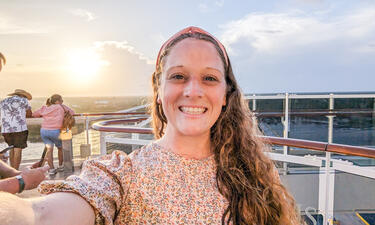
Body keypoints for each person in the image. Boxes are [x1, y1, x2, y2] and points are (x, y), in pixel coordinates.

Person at [0, 26, 302, 225]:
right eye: (179, 76)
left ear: (225, 95)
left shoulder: (253, 175)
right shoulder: (121, 174)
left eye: (209, 78)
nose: (193, 90)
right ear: (158, 92)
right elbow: (39, 215)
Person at [32, 94, 74, 175]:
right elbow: (72, 112)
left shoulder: (44, 108)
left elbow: (34, 114)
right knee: (60, 148)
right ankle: (61, 166)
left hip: (44, 131)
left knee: (49, 150)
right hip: (56, 131)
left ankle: (51, 169)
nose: (62, 102)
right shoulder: (61, 107)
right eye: (61, 100)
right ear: (57, 101)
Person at [0, 89, 33, 170]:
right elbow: (29, 114)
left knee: (11, 148)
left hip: (6, 129)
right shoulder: (23, 100)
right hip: (19, 128)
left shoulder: (4, 101)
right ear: (23, 95)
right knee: (18, 149)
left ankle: (12, 170)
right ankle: (16, 171)